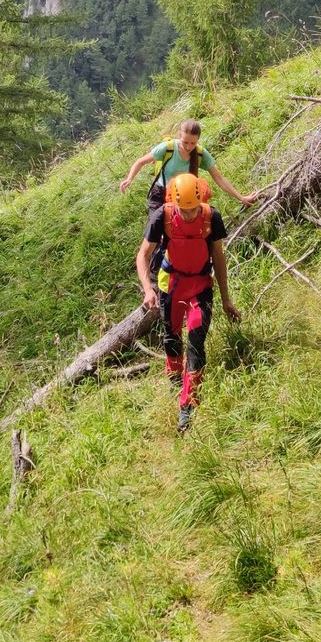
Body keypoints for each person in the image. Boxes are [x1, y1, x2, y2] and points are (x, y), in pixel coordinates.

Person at [135, 171, 240, 432]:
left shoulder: (210, 216)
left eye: (193, 208)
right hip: (171, 284)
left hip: (201, 285)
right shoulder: (163, 216)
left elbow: (219, 258)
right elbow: (143, 255)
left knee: (195, 341)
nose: (190, 213)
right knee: (171, 337)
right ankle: (173, 378)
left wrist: (226, 300)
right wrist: (148, 289)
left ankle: (187, 405)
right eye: (185, 209)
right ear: (175, 203)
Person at [118, 119, 256, 214]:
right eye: (185, 142)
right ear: (179, 136)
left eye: (193, 143)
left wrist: (241, 198)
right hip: (160, 194)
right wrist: (129, 179)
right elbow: (140, 162)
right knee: (155, 233)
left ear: (198, 140)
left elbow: (219, 178)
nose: (189, 147)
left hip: (184, 197)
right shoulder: (168, 148)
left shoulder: (201, 153)